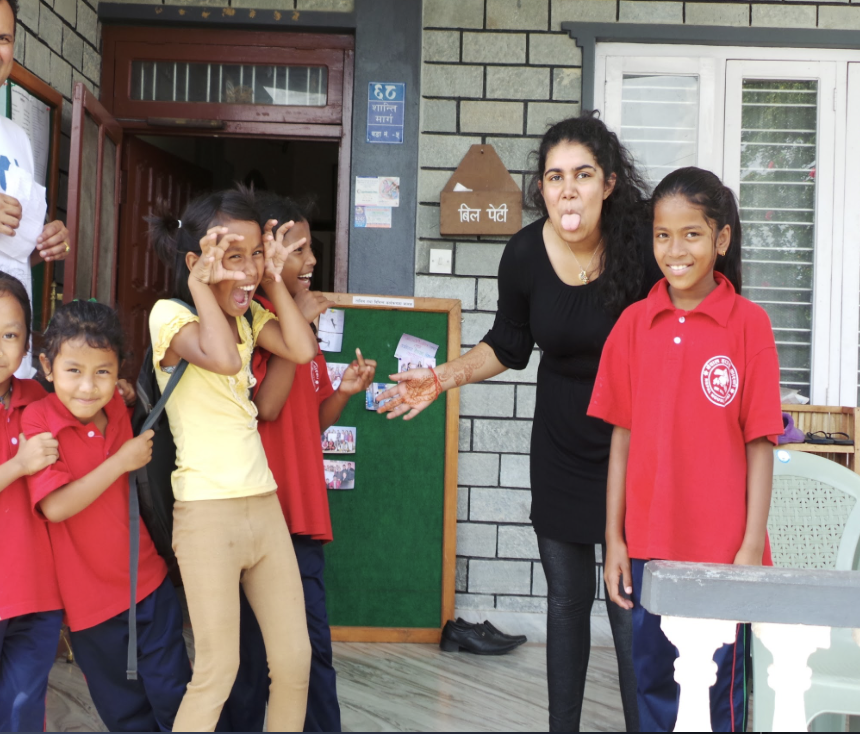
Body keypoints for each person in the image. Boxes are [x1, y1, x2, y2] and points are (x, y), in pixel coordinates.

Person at [378, 113, 659, 732]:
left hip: (633, 444)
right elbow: (508, 345)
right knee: (565, 601)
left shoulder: (643, 243)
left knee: (627, 606)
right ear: (542, 188)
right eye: (554, 177)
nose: (567, 190)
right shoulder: (526, 252)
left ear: (608, 183)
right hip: (561, 441)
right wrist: (442, 377)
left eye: (582, 175)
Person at [588, 167, 783, 732]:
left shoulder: (750, 326)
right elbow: (620, 439)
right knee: (653, 683)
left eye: (692, 234)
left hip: (723, 553)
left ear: (721, 240)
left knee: (719, 693)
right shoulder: (632, 325)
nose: (675, 250)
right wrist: (615, 537)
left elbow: (760, 442)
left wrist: (750, 546)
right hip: (650, 550)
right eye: (663, 235)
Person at [147, 186, 317, 731]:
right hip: (205, 515)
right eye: (233, 257)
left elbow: (301, 348)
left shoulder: (249, 317)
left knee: (294, 662)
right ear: (196, 261)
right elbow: (220, 359)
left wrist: (269, 278)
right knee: (219, 669)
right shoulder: (169, 316)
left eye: (254, 254)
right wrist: (202, 286)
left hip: (263, 508)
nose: (246, 271)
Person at [22, 300, 191, 731]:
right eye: (73, 370)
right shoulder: (39, 418)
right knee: (126, 715)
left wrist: (126, 396)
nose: (87, 386)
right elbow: (55, 506)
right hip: (89, 609)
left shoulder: (116, 404)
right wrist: (120, 462)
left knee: (177, 697)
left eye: (103, 371)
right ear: (46, 365)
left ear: (118, 373)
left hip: (149, 585)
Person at [248, 193, 376, 732]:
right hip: (263, 513)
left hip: (302, 514)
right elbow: (268, 407)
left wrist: (344, 392)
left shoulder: (305, 330)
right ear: (271, 252)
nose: (313, 262)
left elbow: (310, 423)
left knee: (313, 649)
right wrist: (295, 321)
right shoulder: (256, 320)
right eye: (300, 250)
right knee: (262, 657)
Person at [0, 272, 62, 732]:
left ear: (26, 346)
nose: (0, 346)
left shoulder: (39, 399)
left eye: (10, 334)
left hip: (37, 592)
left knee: (23, 710)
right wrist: (19, 466)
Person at [0, 0, 71, 378]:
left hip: (11, 369)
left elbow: (13, 255)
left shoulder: (17, 138)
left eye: (3, 37)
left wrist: (43, 244)